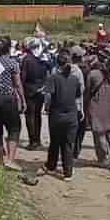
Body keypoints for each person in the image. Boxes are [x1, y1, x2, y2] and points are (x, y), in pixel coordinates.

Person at [38, 50, 81, 182]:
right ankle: (68, 172)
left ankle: (51, 166)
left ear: (57, 64)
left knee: (55, 142)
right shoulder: (75, 79)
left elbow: (49, 96)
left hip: (56, 115)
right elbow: (77, 96)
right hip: (72, 115)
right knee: (69, 144)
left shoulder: (53, 78)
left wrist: (46, 108)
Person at [0, 38, 25, 171]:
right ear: (9, 49)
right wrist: (22, 99)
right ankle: (10, 160)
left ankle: (0, 159)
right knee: (14, 127)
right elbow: (17, 84)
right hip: (7, 98)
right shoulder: (13, 63)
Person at [21, 39, 47, 150]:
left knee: (30, 115)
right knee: (37, 115)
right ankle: (38, 140)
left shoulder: (27, 59)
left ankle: (33, 142)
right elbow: (46, 75)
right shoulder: (43, 58)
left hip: (29, 90)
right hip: (41, 90)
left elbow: (23, 77)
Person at [70, 45, 87, 159]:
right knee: (80, 129)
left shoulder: (68, 69)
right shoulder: (85, 69)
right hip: (82, 102)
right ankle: (76, 149)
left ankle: (70, 150)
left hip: (69, 102)